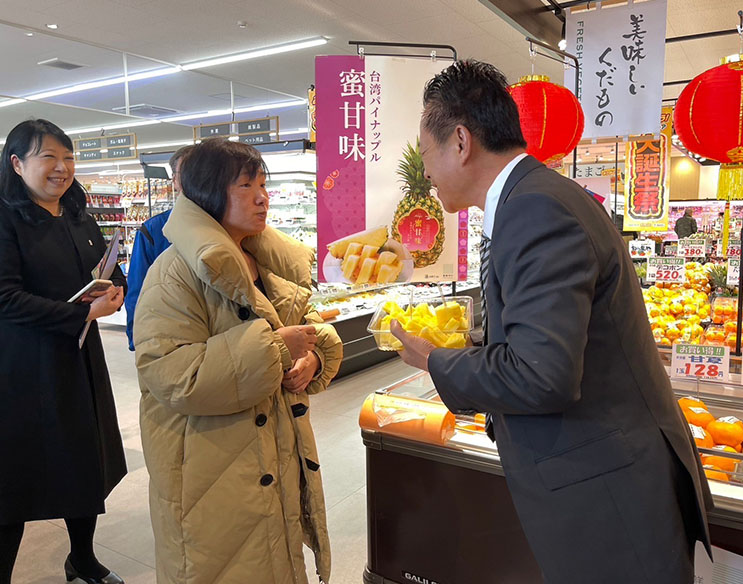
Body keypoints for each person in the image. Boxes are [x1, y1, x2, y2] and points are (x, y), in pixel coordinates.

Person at [389, 61, 713, 583]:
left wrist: (437, 360)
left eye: (425, 155)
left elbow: (542, 375)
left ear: (461, 142)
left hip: (607, 497)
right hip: (610, 479)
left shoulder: (534, 210)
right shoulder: (537, 198)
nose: (425, 172)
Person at [134, 137, 343, 584]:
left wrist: (316, 356)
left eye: (263, 183)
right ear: (209, 194)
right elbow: (171, 375)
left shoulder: (262, 261)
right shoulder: (174, 274)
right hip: (211, 471)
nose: (262, 196)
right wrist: (277, 350)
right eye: (246, 186)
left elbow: (304, 325)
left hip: (268, 457)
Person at [0, 119, 127, 584]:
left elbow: (107, 272)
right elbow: (5, 297)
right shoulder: (7, 219)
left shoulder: (78, 216)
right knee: (16, 474)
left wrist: (115, 290)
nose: (62, 168)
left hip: (80, 362)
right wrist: (80, 316)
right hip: (24, 369)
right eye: (48, 157)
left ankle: (82, 559)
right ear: (17, 164)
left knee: (82, 463)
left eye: (69, 157)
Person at [124, 144, 193, 350]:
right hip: (168, 339)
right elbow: (137, 290)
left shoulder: (232, 225)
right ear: (175, 181)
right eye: (187, 172)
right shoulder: (152, 231)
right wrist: (137, 339)